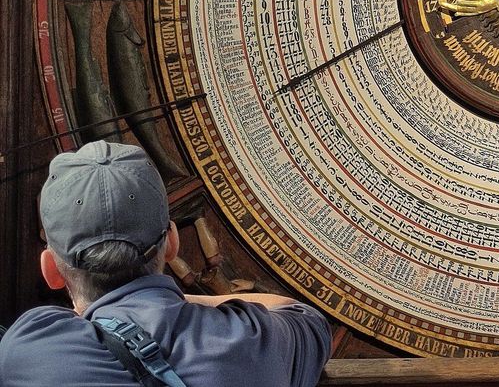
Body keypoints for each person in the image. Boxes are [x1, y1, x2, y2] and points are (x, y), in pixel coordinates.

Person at [0, 140, 332, 386]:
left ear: (51, 271)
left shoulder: (30, 353)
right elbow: (303, 315)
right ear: (172, 243)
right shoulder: (253, 344)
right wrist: (161, 300)